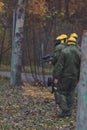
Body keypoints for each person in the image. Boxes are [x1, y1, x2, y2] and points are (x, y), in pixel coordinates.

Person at [53, 37, 81, 117]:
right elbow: (81, 67)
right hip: (74, 77)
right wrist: (78, 77)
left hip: (65, 77)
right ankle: (69, 111)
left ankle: (65, 110)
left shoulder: (64, 51)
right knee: (71, 93)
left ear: (68, 42)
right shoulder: (79, 53)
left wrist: (56, 77)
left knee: (61, 92)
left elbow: (60, 66)